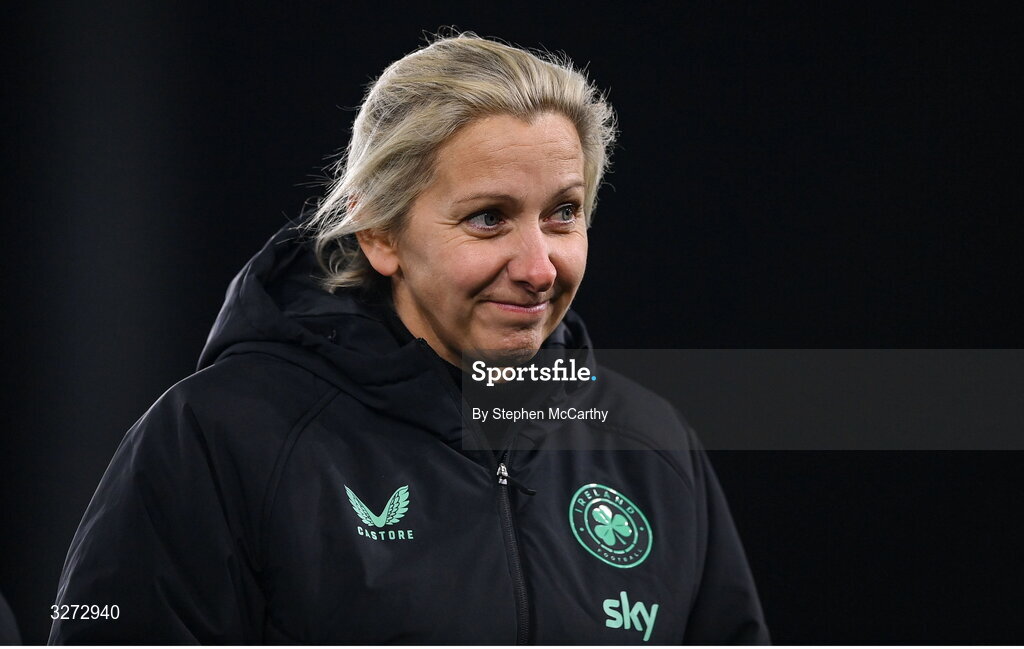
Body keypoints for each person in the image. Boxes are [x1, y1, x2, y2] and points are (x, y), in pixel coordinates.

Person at [49, 33, 769, 644]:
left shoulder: (648, 446)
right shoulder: (219, 436)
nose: (538, 266)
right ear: (381, 233)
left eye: (563, 213)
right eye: (489, 218)